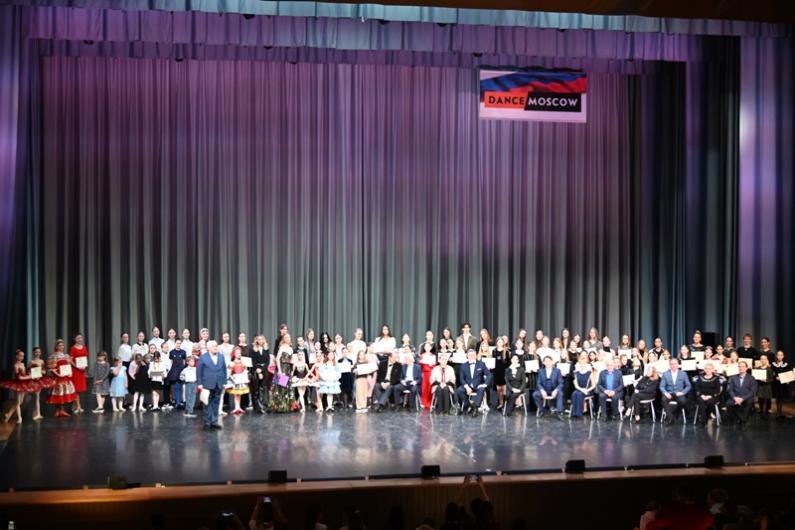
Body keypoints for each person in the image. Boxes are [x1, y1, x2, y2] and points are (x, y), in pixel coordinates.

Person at [0, 350, 37, 423]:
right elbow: (19, 378)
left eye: (23, 356)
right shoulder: (16, 365)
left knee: (20, 402)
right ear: (16, 356)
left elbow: (24, 375)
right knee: (17, 402)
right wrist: (30, 377)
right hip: (17, 384)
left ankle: (8, 415)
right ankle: (19, 418)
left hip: (23, 384)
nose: (21, 357)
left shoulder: (23, 364)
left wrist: (29, 374)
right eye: (20, 355)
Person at [197, 340, 227, 430]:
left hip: (219, 383)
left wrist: (224, 382)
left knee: (216, 403)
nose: (215, 347)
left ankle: (214, 421)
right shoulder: (203, 357)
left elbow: (224, 370)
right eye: (213, 346)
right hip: (207, 383)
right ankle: (207, 422)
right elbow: (199, 371)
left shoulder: (221, 356)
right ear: (208, 348)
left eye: (216, 346)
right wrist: (199, 383)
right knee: (207, 403)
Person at [47, 339, 78, 417]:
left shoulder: (66, 356)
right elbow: (51, 368)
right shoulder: (53, 356)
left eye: (62, 345)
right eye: (59, 345)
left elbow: (68, 366)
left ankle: (62, 410)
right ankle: (57, 410)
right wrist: (58, 374)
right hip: (58, 378)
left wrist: (70, 373)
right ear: (56, 347)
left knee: (64, 394)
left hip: (65, 377)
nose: (61, 347)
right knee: (58, 393)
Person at [455, 350, 490, 416]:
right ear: (467, 356)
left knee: (482, 389)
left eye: (473, 355)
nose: (472, 356)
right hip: (468, 385)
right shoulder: (463, 366)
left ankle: (476, 408)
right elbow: (461, 378)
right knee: (459, 390)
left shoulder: (481, 364)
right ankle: (469, 404)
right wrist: (467, 387)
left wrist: (485, 384)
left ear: (476, 356)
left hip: (478, 386)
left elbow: (488, 374)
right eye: (470, 355)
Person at [727, 361, 757, 430]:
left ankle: (744, 422)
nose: (740, 368)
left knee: (749, 402)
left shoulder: (751, 378)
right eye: (739, 366)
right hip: (736, 397)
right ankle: (740, 419)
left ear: (746, 368)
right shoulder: (733, 377)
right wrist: (734, 398)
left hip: (746, 397)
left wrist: (742, 398)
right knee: (728, 403)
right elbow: (730, 390)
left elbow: (753, 391)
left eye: (743, 366)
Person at [659, 358, 691, 424]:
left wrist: (682, 392)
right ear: (669, 365)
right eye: (672, 364)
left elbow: (688, 386)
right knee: (663, 400)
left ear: (678, 365)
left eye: (675, 364)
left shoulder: (683, 374)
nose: (673, 365)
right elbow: (661, 386)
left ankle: (675, 414)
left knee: (682, 401)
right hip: (669, 393)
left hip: (679, 393)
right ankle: (671, 418)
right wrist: (666, 393)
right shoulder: (665, 374)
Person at [570, 353, 597, 419]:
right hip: (580, 389)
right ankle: (574, 412)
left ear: (586, 364)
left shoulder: (590, 373)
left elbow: (593, 385)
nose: (582, 365)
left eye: (583, 364)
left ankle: (579, 413)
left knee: (579, 394)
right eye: (581, 364)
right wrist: (582, 390)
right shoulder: (576, 373)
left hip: (588, 390)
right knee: (574, 393)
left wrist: (587, 390)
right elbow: (576, 385)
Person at [68, 334, 89, 413]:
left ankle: (74, 405)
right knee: (76, 389)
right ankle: (78, 406)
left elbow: (85, 358)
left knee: (80, 390)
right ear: (75, 339)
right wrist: (77, 366)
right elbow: (70, 360)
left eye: (81, 338)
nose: (80, 339)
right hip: (75, 370)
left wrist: (85, 366)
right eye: (78, 338)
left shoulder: (84, 347)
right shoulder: (73, 348)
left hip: (82, 370)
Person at [249, 335, 270, 413]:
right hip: (256, 370)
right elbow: (253, 361)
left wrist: (262, 370)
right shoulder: (253, 350)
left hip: (264, 370)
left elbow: (268, 361)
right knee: (256, 389)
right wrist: (258, 370)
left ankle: (264, 406)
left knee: (264, 388)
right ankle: (257, 407)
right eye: (259, 339)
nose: (260, 340)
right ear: (257, 340)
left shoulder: (266, 349)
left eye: (262, 339)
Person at [227, 347, 250, 414]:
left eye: (240, 353)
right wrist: (231, 377)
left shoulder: (243, 362)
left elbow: (245, 370)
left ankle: (238, 406)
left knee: (239, 394)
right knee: (236, 394)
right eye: (237, 353)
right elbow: (229, 372)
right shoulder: (232, 363)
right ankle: (236, 407)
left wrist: (245, 372)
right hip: (236, 380)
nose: (239, 354)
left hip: (241, 379)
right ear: (234, 354)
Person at [166, 338, 187, 409]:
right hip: (174, 372)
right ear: (175, 343)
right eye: (177, 343)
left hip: (181, 371)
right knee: (176, 387)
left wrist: (183, 371)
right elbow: (170, 363)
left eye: (179, 343)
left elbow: (184, 362)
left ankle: (180, 402)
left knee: (181, 388)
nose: (178, 344)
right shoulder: (172, 352)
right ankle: (177, 403)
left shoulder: (183, 352)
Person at [771, 349, 790, 420]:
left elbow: (789, 374)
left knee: (781, 398)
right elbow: (771, 374)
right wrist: (775, 377)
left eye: (781, 355)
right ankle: (778, 413)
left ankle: (780, 412)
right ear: (776, 356)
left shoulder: (786, 365)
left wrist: (787, 380)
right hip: (776, 384)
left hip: (783, 384)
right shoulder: (773, 364)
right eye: (778, 355)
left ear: (783, 356)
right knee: (777, 398)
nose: (780, 356)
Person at [291, 348, 311, 412]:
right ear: (297, 355)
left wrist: (305, 377)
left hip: (304, 380)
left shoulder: (305, 364)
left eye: (302, 355)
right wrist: (291, 377)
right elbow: (292, 372)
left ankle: (297, 403)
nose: (300, 356)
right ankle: (303, 408)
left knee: (302, 394)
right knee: (301, 394)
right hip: (298, 380)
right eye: (299, 355)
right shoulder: (295, 364)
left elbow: (308, 372)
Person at [492, 337, 510, 410]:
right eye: (499, 342)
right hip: (496, 372)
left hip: (504, 372)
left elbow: (508, 363)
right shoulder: (494, 351)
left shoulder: (506, 351)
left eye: (501, 342)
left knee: (504, 390)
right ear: (496, 343)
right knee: (499, 390)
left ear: (503, 343)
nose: (500, 343)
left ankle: (505, 404)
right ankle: (501, 403)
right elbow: (492, 361)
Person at [755, 354, 774, 419]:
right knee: (760, 400)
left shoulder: (769, 369)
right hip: (760, 386)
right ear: (760, 360)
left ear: (766, 360)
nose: (763, 360)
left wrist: (766, 380)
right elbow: (755, 377)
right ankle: (761, 411)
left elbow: (771, 379)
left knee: (765, 400)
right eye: (761, 359)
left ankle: (764, 413)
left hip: (766, 387)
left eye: (764, 359)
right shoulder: (757, 368)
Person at [418, 342, 437, 410]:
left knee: (430, 388)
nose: (427, 348)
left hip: (431, 374)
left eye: (428, 346)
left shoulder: (433, 356)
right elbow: (420, 366)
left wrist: (429, 365)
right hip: (424, 373)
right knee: (424, 388)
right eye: (426, 346)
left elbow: (434, 366)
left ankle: (430, 403)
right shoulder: (422, 355)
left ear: (431, 347)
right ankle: (424, 402)